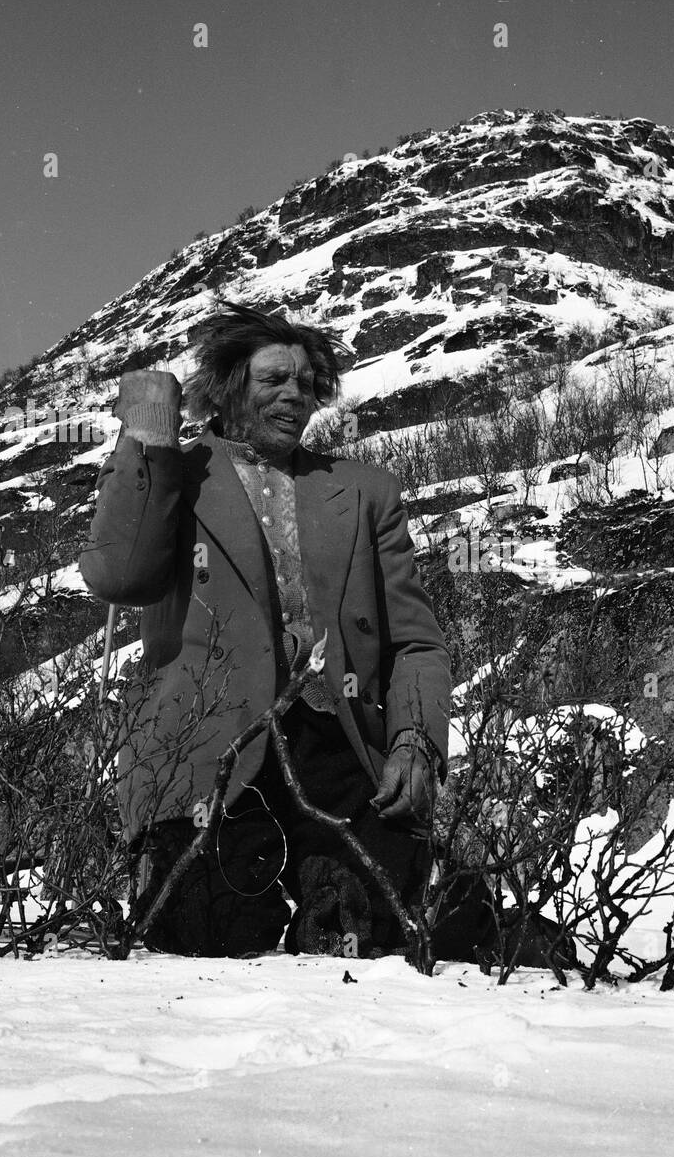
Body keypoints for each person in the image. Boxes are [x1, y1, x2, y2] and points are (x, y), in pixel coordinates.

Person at [79, 300, 459, 958]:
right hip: (209, 749)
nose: (295, 393)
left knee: (370, 927)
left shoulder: (365, 491)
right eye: (273, 379)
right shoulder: (181, 472)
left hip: (339, 746)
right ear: (229, 389)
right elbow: (119, 574)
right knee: (216, 934)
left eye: (306, 381)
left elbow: (416, 642)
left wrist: (415, 742)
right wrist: (146, 425)